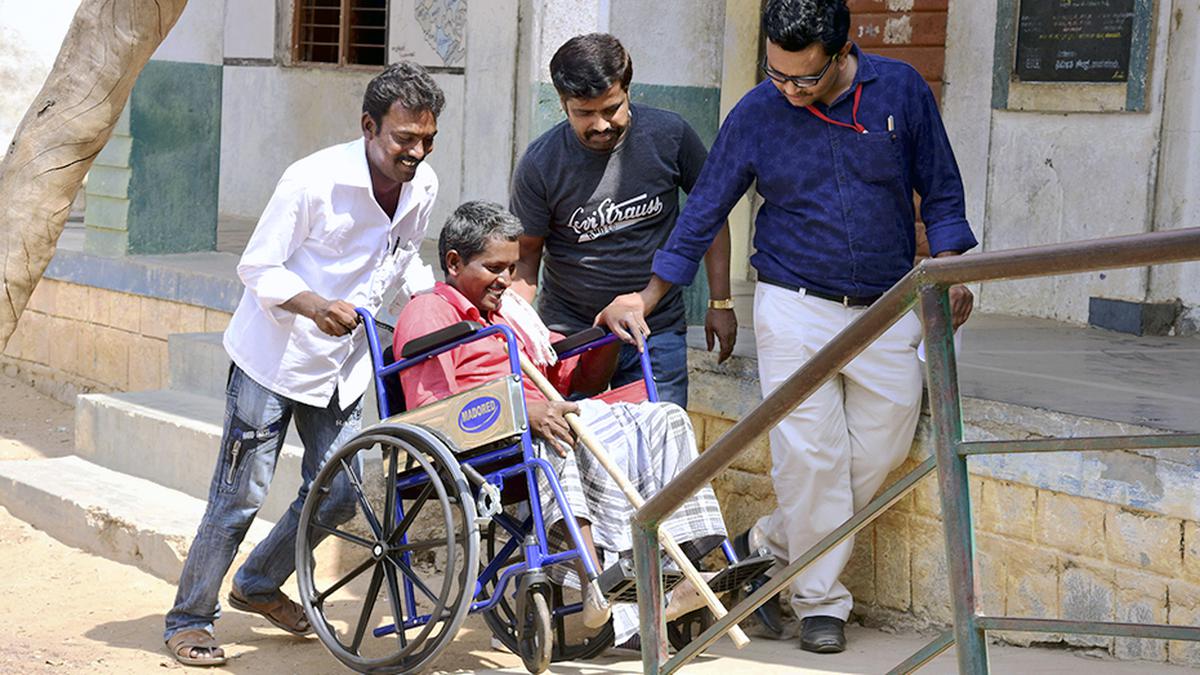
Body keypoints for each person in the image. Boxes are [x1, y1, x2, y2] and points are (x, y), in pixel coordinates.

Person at [596, 0, 978, 654]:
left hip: (889, 303)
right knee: (810, 456)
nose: (791, 91)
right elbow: (704, 208)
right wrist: (652, 291)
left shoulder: (902, 92)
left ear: (841, 49)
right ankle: (819, 602)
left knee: (882, 447)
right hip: (792, 302)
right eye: (778, 75)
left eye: (806, 78)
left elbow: (940, 190)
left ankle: (763, 548)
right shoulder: (757, 111)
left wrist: (949, 270)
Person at [163, 61, 444, 667]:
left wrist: (438, 306)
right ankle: (189, 618)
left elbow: (404, 266)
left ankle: (259, 583)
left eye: (427, 139)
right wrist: (315, 306)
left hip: (344, 367)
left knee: (342, 493)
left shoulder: (422, 187)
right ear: (369, 126)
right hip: (274, 358)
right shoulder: (311, 180)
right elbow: (258, 267)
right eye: (403, 139)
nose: (416, 152)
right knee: (240, 495)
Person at [392, 200, 727, 647]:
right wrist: (520, 411)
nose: (507, 281)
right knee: (556, 431)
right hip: (487, 435)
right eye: (495, 268)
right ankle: (596, 580)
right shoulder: (429, 311)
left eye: (512, 268)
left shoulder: (512, 315)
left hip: (549, 414)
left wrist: (606, 332)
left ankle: (686, 564)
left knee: (667, 417)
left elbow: (578, 378)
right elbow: (431, 408)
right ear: (454, 262)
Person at [510, 33, 738, 410]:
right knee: (576, 453)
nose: (601, 124)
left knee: (661, 451)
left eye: (612, 108)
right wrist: (521, 332)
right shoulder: (540, 164)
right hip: (572, 335)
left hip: (655, 329)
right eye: (584, 113)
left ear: (627, 91)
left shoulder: (671, 136)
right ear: (563, 104)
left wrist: (721, 301)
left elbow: (710, 216)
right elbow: (527, 258)